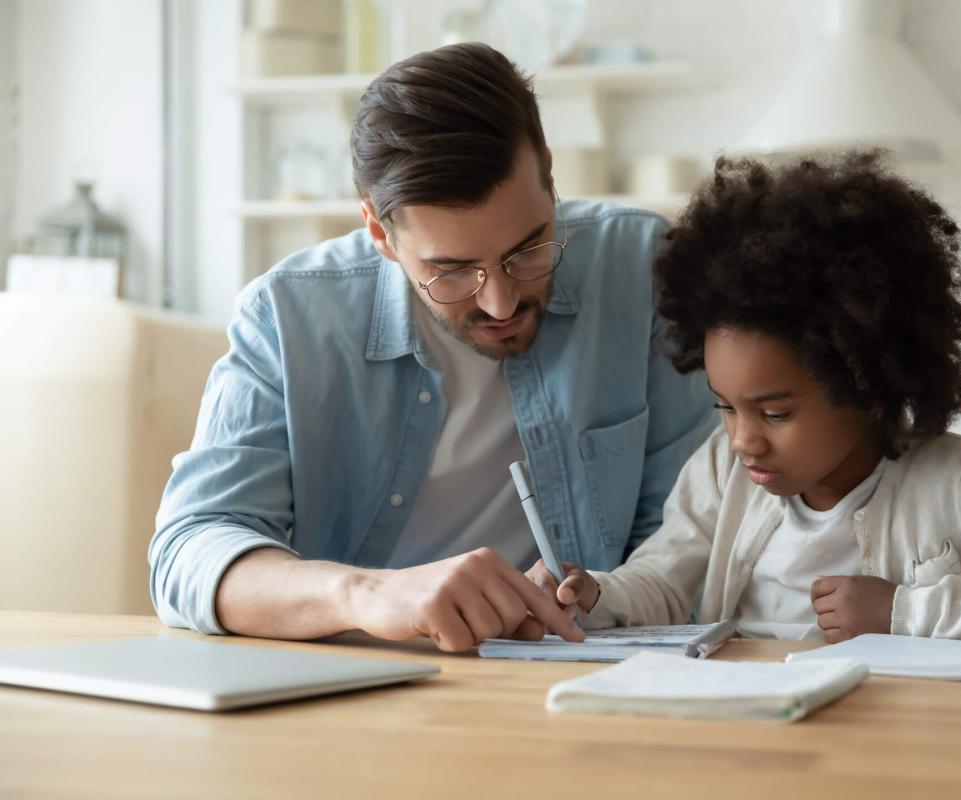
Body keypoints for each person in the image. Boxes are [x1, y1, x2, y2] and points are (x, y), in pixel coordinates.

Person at [149, 43, 715, 652]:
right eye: (452, 270)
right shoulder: (287, 317)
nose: (500, 301)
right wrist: (371, 594)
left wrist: (605, 596)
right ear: (380, 233)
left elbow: (695, 534)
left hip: (582, 673)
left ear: (549, 177)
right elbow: (189, 551)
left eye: (528, 249)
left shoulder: (641, 270)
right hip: (363, 687)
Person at [528, 152, 961, 642]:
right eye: (725, 407)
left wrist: (907, 614)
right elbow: (662, 581)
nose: (743, 440)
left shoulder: (960, 483)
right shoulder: (722, 473)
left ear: (868, 386)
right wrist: (598, 593)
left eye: (775, 413)